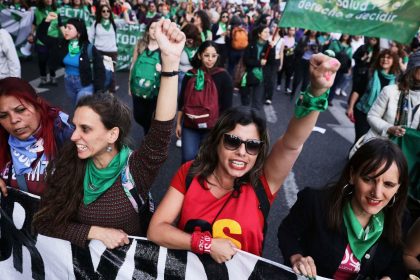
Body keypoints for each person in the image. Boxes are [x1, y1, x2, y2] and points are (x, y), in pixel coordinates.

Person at [147, 53, 341, 262]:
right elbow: (156, 230)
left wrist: (316, 91)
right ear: (217, 141)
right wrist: (206, 244)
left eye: (252, 146)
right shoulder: (190, 173)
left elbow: (291, 144)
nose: (241, 151)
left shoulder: (263, 182)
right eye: (232, 141)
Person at [32, 19, 185, 249]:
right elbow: (44, 221)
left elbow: (161, 130)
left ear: (112, 135)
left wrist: (171, 60)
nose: (73, 137)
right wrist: (95, 232)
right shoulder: (70, 163)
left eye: (86, 129)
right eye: (75, 126)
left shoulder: (136, 170)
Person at [278, 138, 409, 279]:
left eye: (388, 184)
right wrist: (297, 257)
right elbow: (287, 233)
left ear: (399, 187)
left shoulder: (401, 218)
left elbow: (397, 262)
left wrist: (388, 278)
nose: (377, 193)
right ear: (352, 175)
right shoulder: (315, 202)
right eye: (369, 179)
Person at [0, 77, 73, 197]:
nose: (13, 120)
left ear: (38, 104)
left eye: (21, 110)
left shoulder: (65, 135)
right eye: (3, 116)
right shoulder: (3, 139)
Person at [176, 41, 233, 163]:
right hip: (190, 124)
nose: (210, 59)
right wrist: (178, 123)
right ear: (199, 55)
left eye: (214, 55)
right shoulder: (190, 75)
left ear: (218, 56)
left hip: (212, 127)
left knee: (205, 161)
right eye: (206, 55)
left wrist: (222, 131)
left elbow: (227, 108)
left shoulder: (224, 77)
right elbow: (181, 102)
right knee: (187, 159)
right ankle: (185, 182)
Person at [38, 15, 106, 107]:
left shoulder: (89, 48)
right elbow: (41, 36)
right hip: (68, 82)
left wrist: (99, 91)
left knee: (81, 109)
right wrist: (47, 21)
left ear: (78, 32)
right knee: (76, 108)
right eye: (65, 27)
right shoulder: (61, 44)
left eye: (69, 28)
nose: (65, 30)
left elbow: (99, 69)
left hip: (85, 84)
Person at [349, 49, 400, 143]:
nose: (385, 59)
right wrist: (350, 107)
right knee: (361, 139)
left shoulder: (397, 80)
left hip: (381, 117)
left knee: (372, 142)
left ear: (394, 61)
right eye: (382, 57)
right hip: (363, 112)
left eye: (388, 58)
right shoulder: (370, 72)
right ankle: (353, 156)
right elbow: (357, 90)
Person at [128, 17, 162, 135]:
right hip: (137, 88)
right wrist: (129, 85)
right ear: (148, 30)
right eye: (152, 28)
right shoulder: (140, 44)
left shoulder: (164, 49)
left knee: (150, 117)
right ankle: (148, 132)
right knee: (138, 116)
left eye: (157, 28)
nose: (154, 30)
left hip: (154, 91)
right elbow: (133, 65)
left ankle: (148, 138)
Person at [240, 24, 275, 111]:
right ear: (259, 34)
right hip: (249, 74)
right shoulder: (251, 44)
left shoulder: (269, 47)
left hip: (261, 77)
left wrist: (272, 49)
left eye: (269, 32)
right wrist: (259, 62)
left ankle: (254, 119)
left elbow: (271, 62)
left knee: (257, 101)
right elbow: (246, 60)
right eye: (265, 32)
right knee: (245, 100)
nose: (267, 34)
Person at [88, 4, 118, 93]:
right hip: (99, 52)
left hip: (112, 53)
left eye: (108, 11)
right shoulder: (96, 23)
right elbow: (90, 37)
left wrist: (124, 8)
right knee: (99, 73)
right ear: (100, 12)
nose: (106, 13)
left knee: (111, 75)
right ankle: (99, 93)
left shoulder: (114, 23)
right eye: (103, 11)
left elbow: (127, 21)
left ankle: (111, 95)